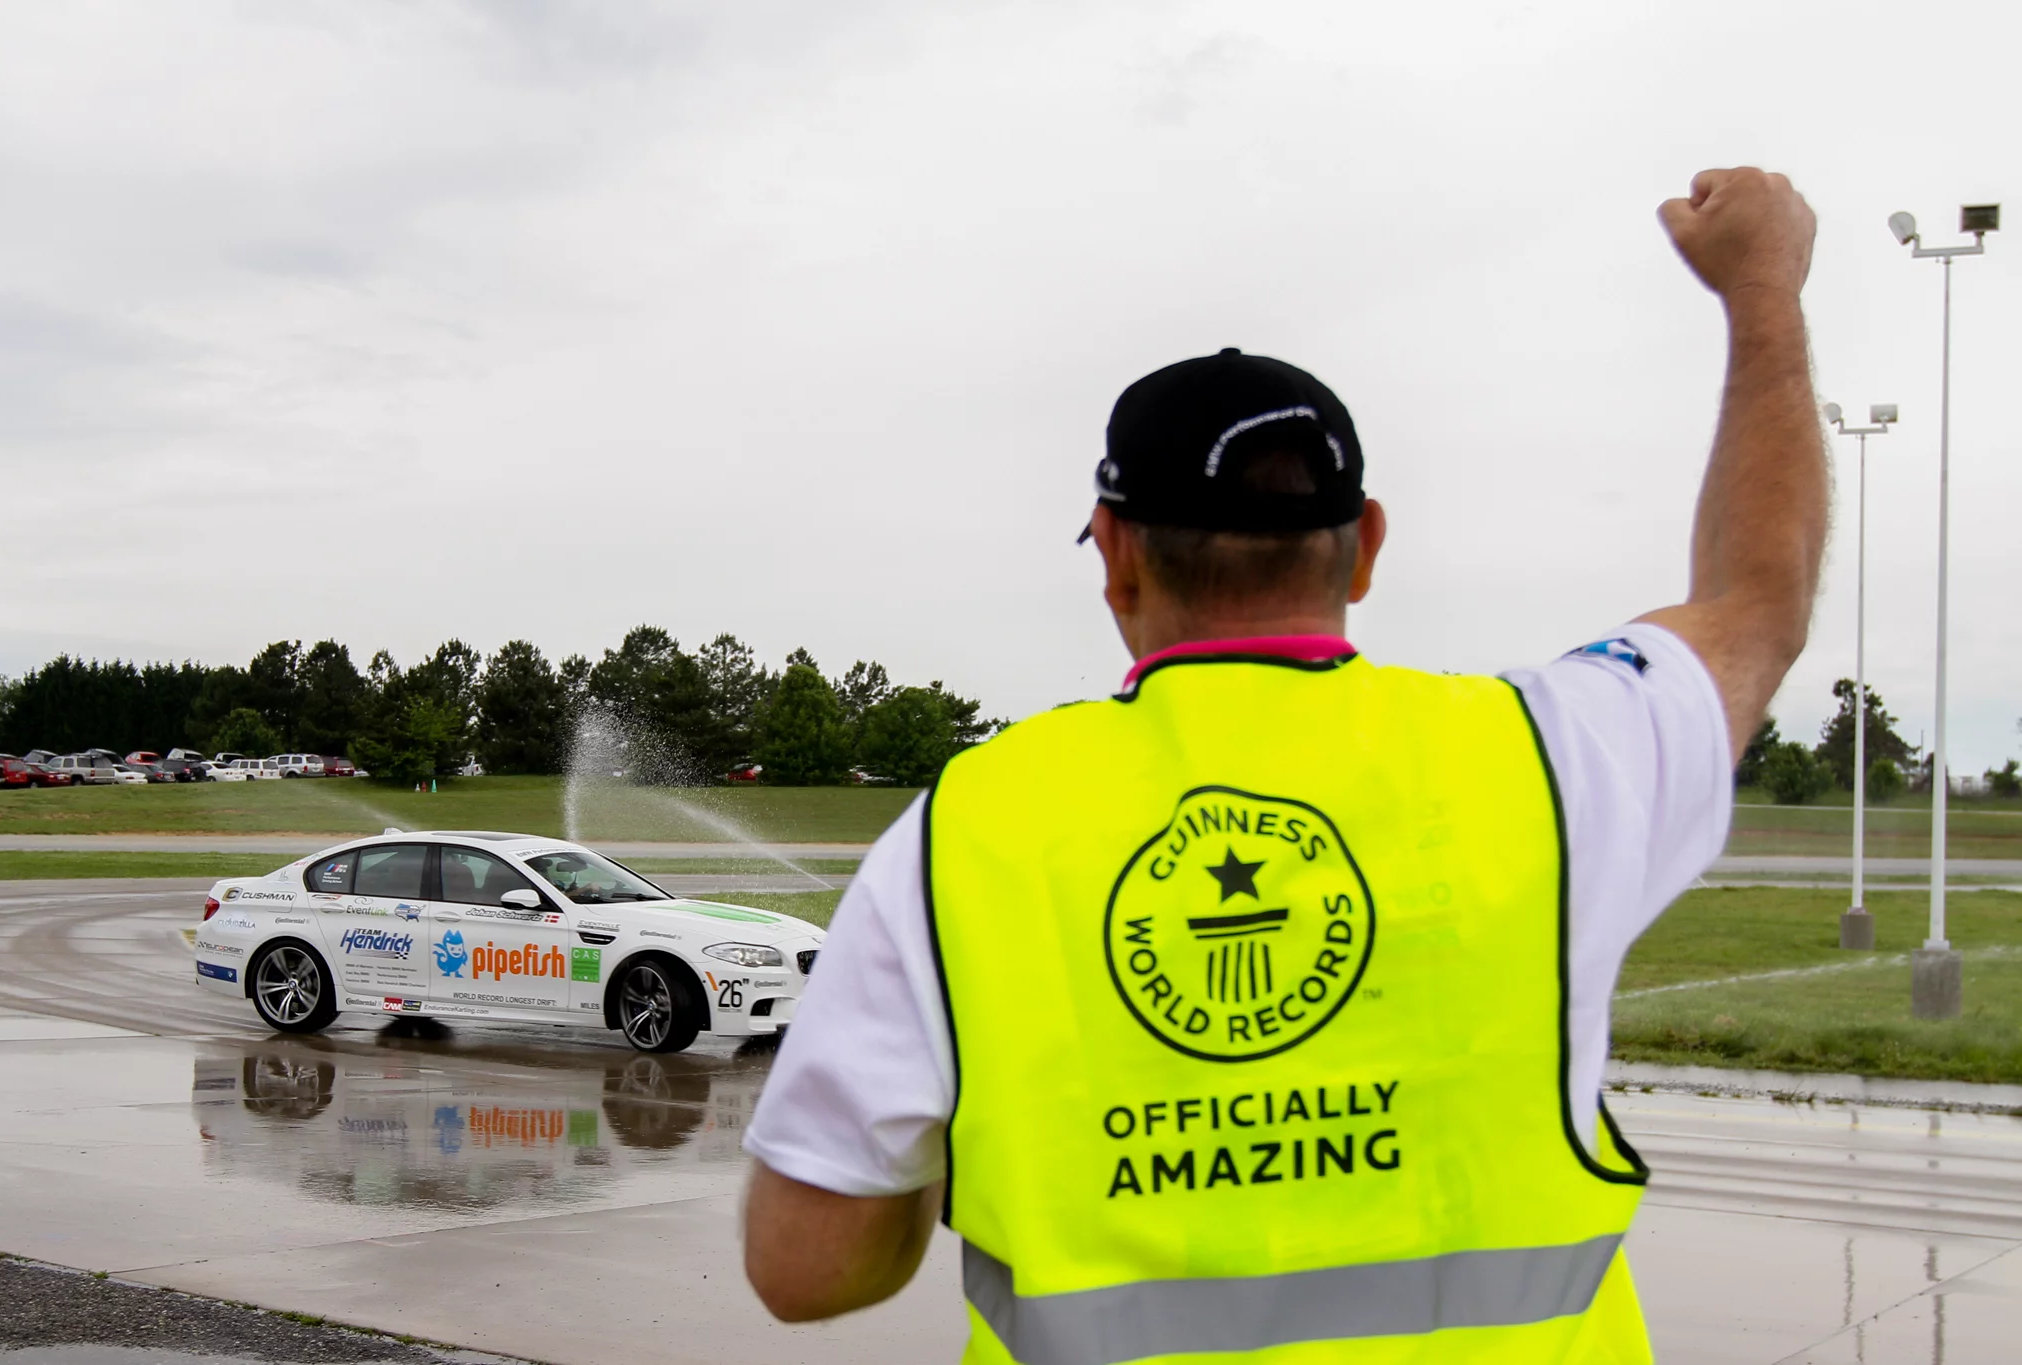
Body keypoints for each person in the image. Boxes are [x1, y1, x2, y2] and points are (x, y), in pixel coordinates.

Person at [741, 167, 1823, 1363]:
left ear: (1115, 554)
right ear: (1364, 547)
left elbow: (803, 1268)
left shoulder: (965, 833)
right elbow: (1756, 603)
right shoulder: (1552, 757)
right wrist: (1759, 291)